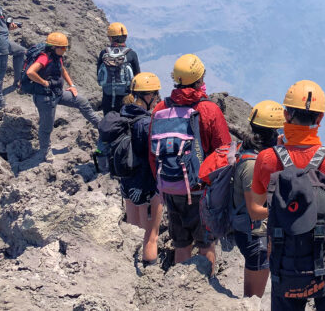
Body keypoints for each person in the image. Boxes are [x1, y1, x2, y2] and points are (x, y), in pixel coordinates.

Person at [250, 80, 325, 311]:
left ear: (286, 114)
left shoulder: (267, 159)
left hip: (283, 255)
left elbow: (256, 205)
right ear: (319, 119)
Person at [148, 53, 231, 272]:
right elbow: (225, 154)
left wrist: (163, 182)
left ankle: (177, 292)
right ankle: (205, 285)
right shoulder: (209, 110)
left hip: (171, 188)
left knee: (181, 244)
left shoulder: (160, 109)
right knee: (206, 245)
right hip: (201, 191)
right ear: (200, 79)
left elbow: (153, 152)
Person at [232, 100, 284, 298]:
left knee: (250, 297)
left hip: (250, 232)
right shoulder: (253, 165)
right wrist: (283, 210)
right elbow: (254, 210)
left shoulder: (249, 152)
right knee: (255, 298)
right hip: (255, 235)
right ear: (271, 133)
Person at [26, 32, 101, 161]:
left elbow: (62, 70)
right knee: (47, 126)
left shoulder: (57, 57)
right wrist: (44, 82)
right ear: (54, 47)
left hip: (57, 93)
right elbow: (30, 72)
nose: (65, 50)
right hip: (45, 97)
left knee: (81, 101)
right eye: (63, 48)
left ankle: (100, 125)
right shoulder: (44, 57)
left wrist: (71, 85)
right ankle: (45, 151)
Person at [118, 72, 163, 267]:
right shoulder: (146, 123)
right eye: (155, 94)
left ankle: (129, 264)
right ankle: (149, 272)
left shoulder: (123, 114)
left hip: (127, 180)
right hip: (147, 182)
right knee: (151, 234)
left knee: (133, 226)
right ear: (148, 95)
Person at [96, 22, 140, 115]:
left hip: (107, 97)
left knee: (108, 123)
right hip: (126, 98)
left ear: (110, 38)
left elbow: (98, 75)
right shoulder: (131, 54)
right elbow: (137, 77)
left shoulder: (104, 53)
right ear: (125, 37)